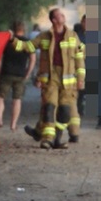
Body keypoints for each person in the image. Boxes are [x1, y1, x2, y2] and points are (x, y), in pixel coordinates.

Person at [25, 8, 85, 149]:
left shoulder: (72, 36)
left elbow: (79, 58)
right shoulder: (44, 36)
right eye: (60, 15)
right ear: (54, 20)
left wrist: (81, 78)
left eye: (63, 15)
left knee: (64, 111)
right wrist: (11, 40)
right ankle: (47, 139)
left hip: (68, 83)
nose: (63, 16)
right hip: (51, 79)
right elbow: (28, 46)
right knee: (49, 108)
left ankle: (56, 140)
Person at [0, 21, 35, 131]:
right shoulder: (28, 43)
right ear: (24, 29)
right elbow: (32, 59)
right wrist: (28, 73)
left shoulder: (7, 42)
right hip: (20, 74)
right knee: (17, 99)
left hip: (6, 73)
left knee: (0, 96)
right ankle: (13, 124)